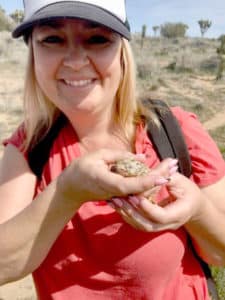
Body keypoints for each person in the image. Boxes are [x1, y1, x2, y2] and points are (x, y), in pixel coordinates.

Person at [0, 0, 224, 299]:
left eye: (97, 39)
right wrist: (67, 192)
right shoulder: (30, 147)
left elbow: (220, 253)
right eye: (52, 39)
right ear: (33, 54)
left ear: (122, 53)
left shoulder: (174, 130)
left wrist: (196, 210)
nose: (75, 60)